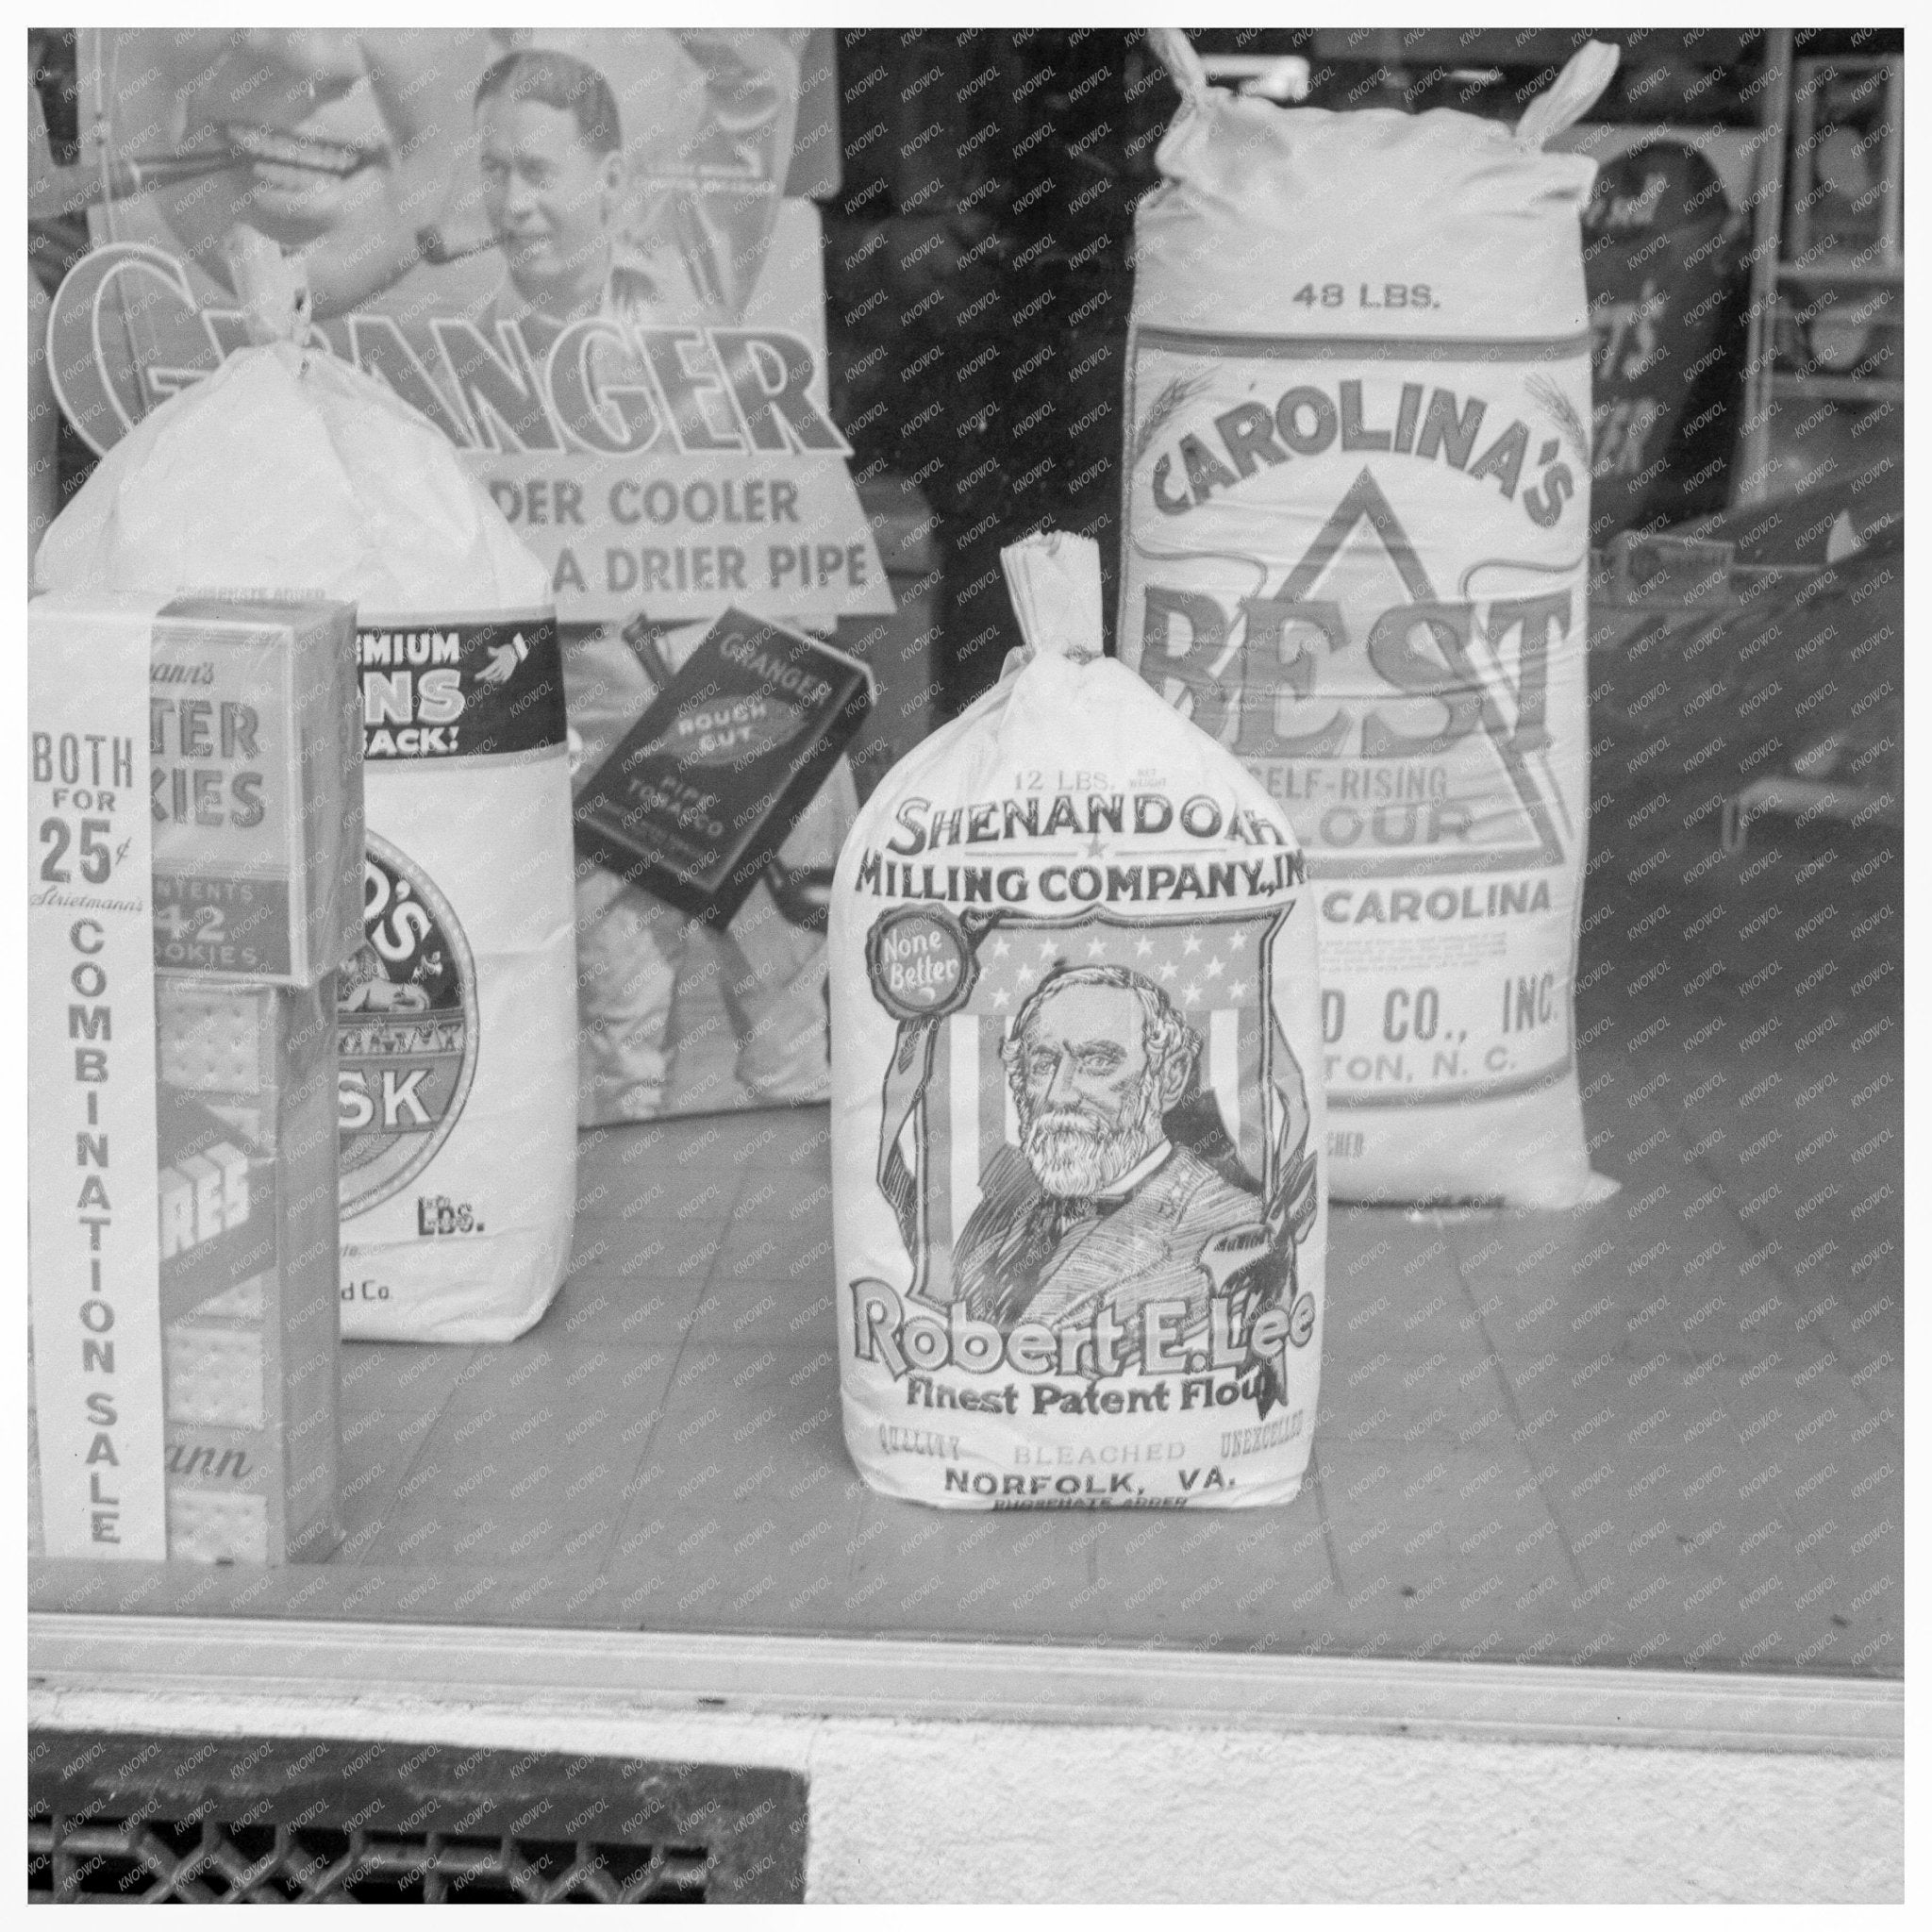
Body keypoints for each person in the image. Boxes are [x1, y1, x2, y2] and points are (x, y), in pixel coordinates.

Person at [953, 965, 1266, 1337]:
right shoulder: (983, 1258)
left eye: (1098, 1061)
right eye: (1043, 1063)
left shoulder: (1230, 1226)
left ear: (1170, 1076)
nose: (1059, 1094)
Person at [473, 45, 708, 353]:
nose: (512, 203)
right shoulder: (463, 364)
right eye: (494, 170)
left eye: (537, 172)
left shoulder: (690, 307)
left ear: (610, 181)